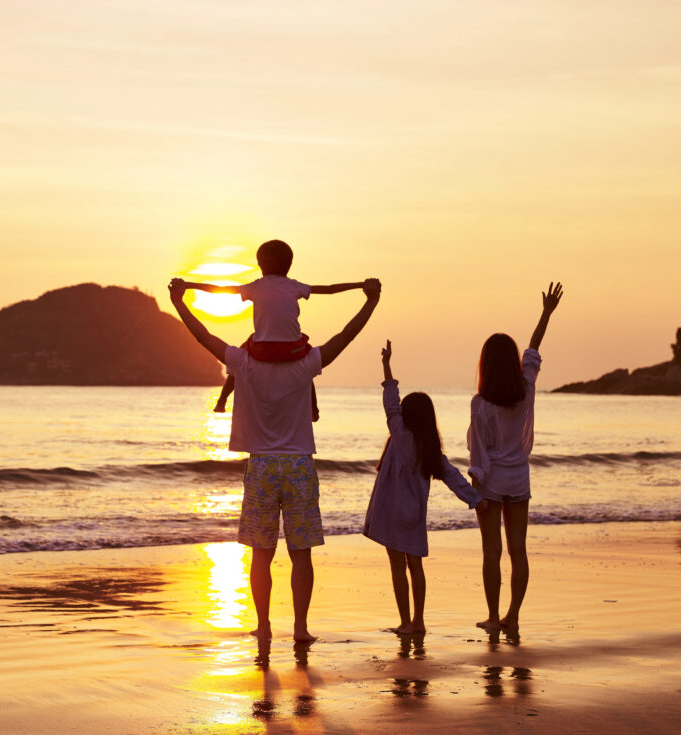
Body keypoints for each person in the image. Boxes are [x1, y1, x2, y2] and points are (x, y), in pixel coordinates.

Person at [168, 275, 382, 642]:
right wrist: (370, 301)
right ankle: (300, 629)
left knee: (261, 555)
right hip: (299, 465)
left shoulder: (243, 361)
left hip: (263, 465)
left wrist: (179, 302)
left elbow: (203, 336)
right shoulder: (306, 363)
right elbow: (346, 335)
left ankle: (264, 626)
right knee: (301, 554)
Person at [363, 340, 482, 635]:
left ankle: (405, 622)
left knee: (397, 568)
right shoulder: (430, 449)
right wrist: (476, 499)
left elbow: (390, 403)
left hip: (391, 512)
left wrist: (387, 365)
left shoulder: (400, 435)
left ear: (407, 417)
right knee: (415, 567)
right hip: (414, 515)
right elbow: (453, 476)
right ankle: (419, 621)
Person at [179, 239, 365, 419]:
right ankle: (314, 410)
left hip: (262, 347)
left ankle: (221, 401)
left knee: (236, 365)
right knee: (308, 369)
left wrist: (189, 285)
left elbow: (220, 289)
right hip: (293, 348)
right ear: (289, 264)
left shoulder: (255, 286)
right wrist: (361, 285)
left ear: (260, 264)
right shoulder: (294, 286)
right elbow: (330, 289)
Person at [468, 282, 564, 633]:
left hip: (491, 483)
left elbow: (478, 453)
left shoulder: (480, 405)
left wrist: (475, 489)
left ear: (485, 364)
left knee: (491, 552)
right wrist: (546, 313)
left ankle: (494, 618)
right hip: (519, 478)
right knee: (518, 551)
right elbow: (533, 349)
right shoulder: (524, 388)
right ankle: (514, 617)